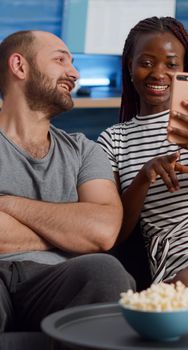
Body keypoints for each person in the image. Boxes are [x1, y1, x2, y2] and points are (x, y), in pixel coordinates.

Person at [0, 30, 136, 332]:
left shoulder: (85, 151)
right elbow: (86, 235)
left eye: (72, 63)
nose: (74, 73)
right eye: (60, 60)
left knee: (105, 269)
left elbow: (101, 232)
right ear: (19, 66)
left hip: (60, 279)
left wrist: (8, 204)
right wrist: (68, 232)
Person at [98, 16, 188, 293]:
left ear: (185, 69)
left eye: (171, 64)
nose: (158, 73)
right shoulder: (114, 140)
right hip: (174, 266)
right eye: (146, 62)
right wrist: (143, 177)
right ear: (130, 66)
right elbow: (116, 233)